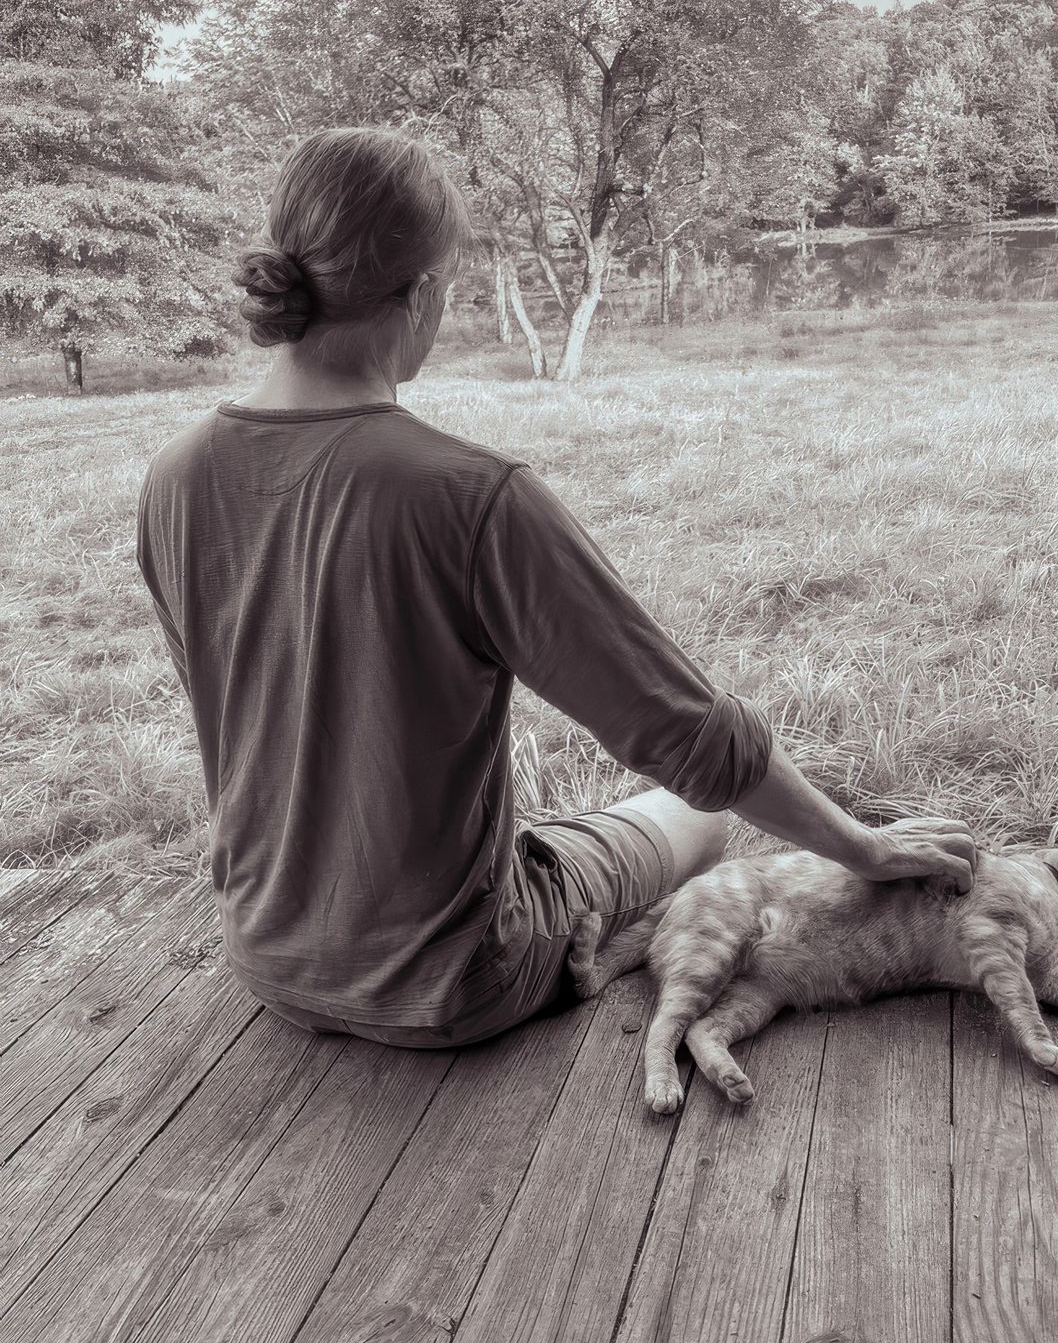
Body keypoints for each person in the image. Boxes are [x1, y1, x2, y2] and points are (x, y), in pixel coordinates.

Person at [135, 126, 977, 1051]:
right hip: (455, 980)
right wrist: (862, 847)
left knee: (573, 830)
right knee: (696, 821)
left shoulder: (175, 475)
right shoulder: (465, 493)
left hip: (267, 958)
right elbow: (691, 740)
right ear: (420, 293)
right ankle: (605, 944)